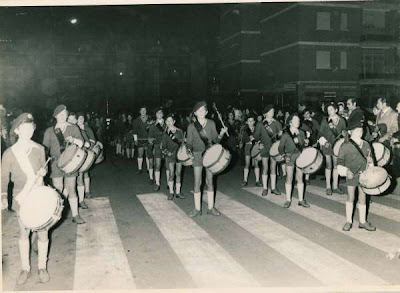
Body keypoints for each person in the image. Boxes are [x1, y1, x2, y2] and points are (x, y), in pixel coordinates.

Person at [1, 113, 51, 284]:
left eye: (31, 127)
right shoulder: (9, 153)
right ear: (17, 130)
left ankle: (42, 266)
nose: (29, 130)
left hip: (38, 194)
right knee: (24, 233)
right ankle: (25, 268)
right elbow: (3, 178)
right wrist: (3, 195)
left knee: (43, 231)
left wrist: (44, 173)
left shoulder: (39, 149)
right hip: (21, 197)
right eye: (25, 128)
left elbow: (43, 172)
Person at [42, 105, 85, 224]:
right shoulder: (50, 131)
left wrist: (73, 140)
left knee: (71, 188)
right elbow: (44, 148)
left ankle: (75, 215)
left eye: (65, 114)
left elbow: (81, 143)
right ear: (55, 116)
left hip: (71, 162)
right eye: (60, 114)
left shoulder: (73, 128)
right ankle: (55, 213)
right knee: (58, 188)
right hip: (55, 163)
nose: (63, 116)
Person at [186, 101, 228, 217]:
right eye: (199, 110)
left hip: (210, 155)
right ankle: (197, 209)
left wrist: (221, 134)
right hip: (197, 155)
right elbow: (189, 143)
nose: (201, 112)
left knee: (210, 181)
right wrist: (189, 151)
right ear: (195, 113)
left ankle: (211, 207)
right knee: (197, 182)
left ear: (206, 112)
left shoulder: (211, 123)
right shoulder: (191, 127)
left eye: (203, 110)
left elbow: (216, 141)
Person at [337, 119, 376, 232]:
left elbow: (371, 161)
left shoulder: (366, 144)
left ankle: (363, 222)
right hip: (351, 175)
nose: (360, 132)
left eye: (361, 130)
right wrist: (345, 171)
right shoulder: (345, 146)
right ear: (350, 132)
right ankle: (349, 221)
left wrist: (370, 161)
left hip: (363, 175)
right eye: (357, 131)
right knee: (351, 197)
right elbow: (339, 162)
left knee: (363, 198)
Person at [278, 113, 310, 208]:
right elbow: (280, 148)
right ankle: (288, 199)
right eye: (295, 120)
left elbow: (303, 146)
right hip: (289, 158)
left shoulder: (302, 133)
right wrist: (284, 156)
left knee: (300, 178)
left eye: (298, 121)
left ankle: (301, 200)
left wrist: (306, 143)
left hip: (299, 157)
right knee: (289, 178)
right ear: (290, 122)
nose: (298, 122)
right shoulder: (286, 134)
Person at [318, 102, 347, 195]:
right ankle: (328, 187)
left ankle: (335, 186)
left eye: (331, 109)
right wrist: (324, 142)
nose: (329, 111)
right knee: (328, 165)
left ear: (336, 110)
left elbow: (345, 133)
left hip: (337, 146)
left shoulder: (342, 120)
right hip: (327, 145)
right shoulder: (325, 120)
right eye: (328, 110)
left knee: (336, 166)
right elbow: (320, 134)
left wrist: (344, 134)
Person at [254, 104, 282, 196]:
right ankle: (265, 188)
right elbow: (256, 136)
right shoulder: (260, 124)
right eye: (271, 111)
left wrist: (280, 134)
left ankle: (273, 188)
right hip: (264, 148)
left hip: (274, 148)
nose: (273, 113)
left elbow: (280, 137)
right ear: (266, 113)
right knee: (265, 167)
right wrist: (259, 143)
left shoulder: (277, 123)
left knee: (273, 167)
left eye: (273, 111)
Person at [161, 113, 185, 200]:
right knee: (171, 173)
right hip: (170, 155)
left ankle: (178, 192)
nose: (169, 122)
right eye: (167, 121)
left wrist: (184, 144)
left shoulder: (179, 131)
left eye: (170, 121)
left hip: (179, 155)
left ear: (174, 121)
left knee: (178, 173)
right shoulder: (165, 133)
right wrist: (167, 153)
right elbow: (163, 147)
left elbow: (183, 144)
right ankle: (171, 192)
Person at [76, 112, 96, 204]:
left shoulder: (87, 128)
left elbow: (93, 140)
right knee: (78, 175)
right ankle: (80, 195)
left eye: (82, 118)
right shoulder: (74, 128)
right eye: (79, 118)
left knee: (85, 172)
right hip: (76, 154)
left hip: (86, 153)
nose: (81, 120)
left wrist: (88, 147)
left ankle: (87, 191)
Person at [239, 115, 261, 187]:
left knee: (256, 164)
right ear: (246, 122)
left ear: (254, 122)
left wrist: (258, 141)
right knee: (247, 164)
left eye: (252, 121)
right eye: (249, 121)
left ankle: (257, 180)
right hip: (248, 147)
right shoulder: (245, 130)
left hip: (255, 147)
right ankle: (245, 180)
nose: (251, 122)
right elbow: (242, 140)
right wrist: (243, 142)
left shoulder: (257, 129)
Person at [148, 107, 166, 191]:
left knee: (168, 166)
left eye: (160, 113)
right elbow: (150, 138)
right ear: (155, 115)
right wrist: (152, 142)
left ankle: (170, 183)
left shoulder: (167, 124)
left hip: (167, 147)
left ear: (163, 114)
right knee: (157, 165)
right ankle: (157, 183)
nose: (159, 114)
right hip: (157, 146)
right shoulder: (152, 125)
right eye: (157, 113)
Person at [133, 106, 152, 178]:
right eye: (142, 110)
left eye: (144, 110)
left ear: (146, 111)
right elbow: (134, 131)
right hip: (140, 139)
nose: (143, 112)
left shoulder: (150, 119)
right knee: (140, 154)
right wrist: (135, 140)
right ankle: (139, 169)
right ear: (139, 112)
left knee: (148, 155)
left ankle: (148, 169)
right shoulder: (136, 121)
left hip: (148, 140)